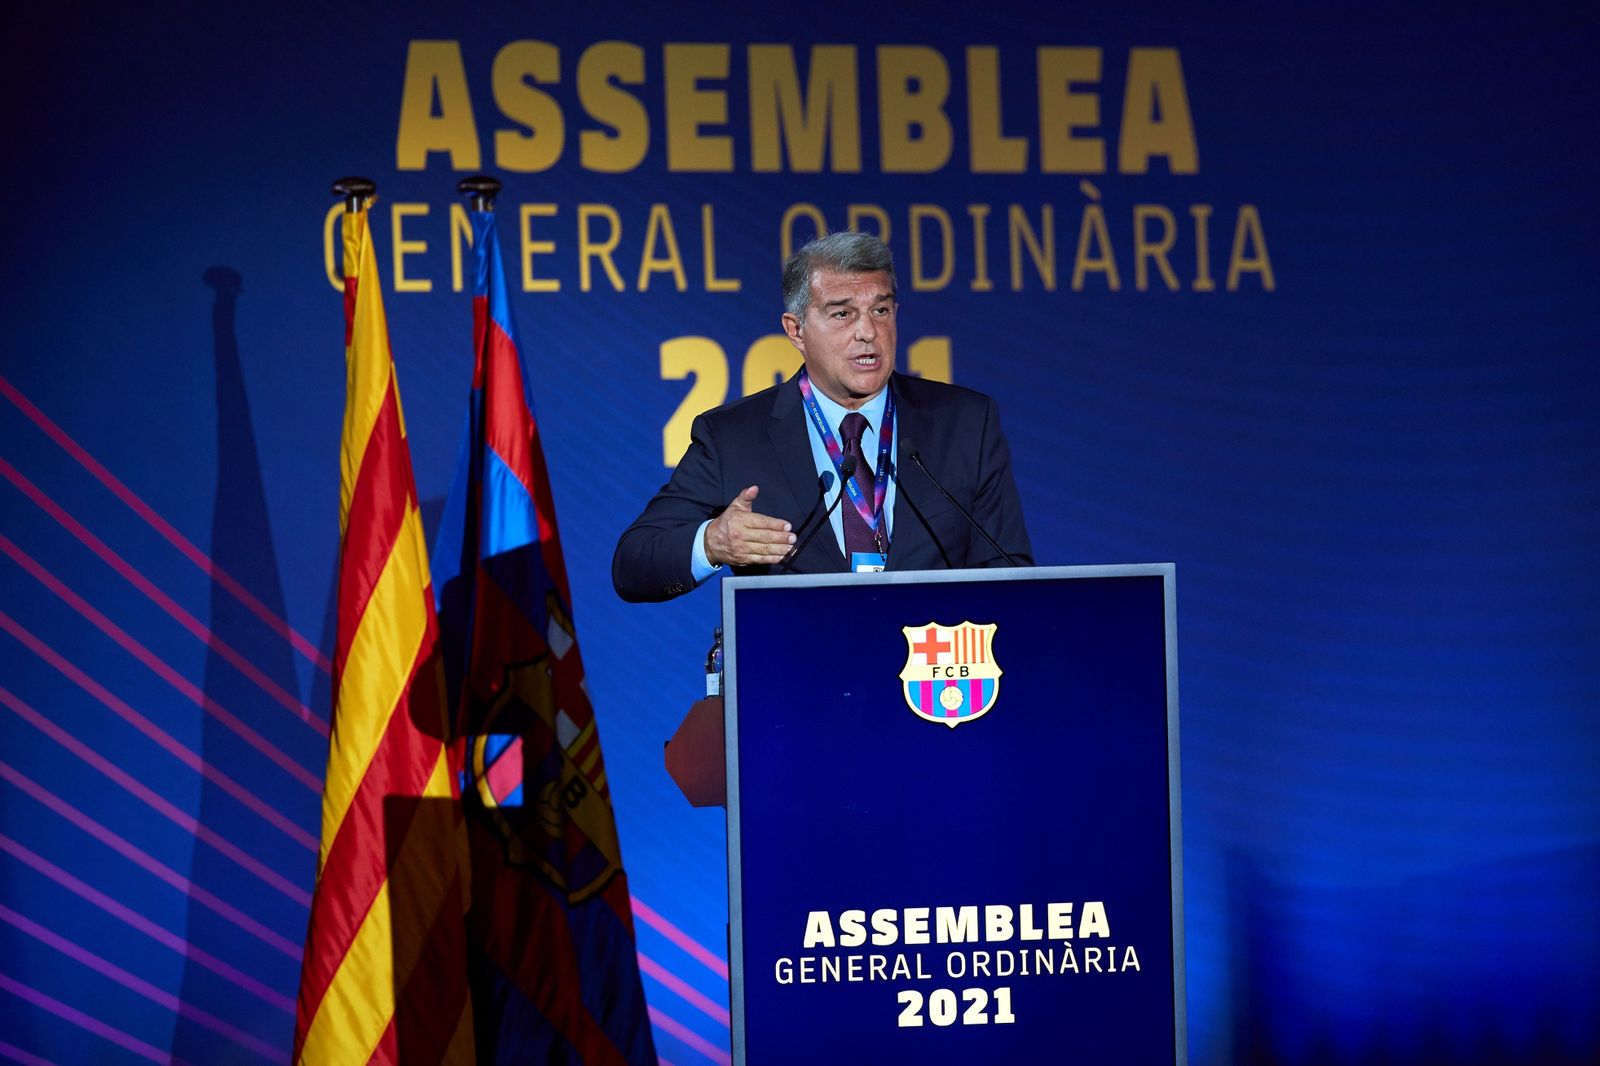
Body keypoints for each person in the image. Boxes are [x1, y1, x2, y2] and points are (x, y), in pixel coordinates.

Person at [612, 231, 1032, 603]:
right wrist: (713, 543)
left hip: (934, 680)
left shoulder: (964, 423)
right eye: (842, 313)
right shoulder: (733, 437)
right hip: (800, 676)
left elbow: (1009, 569)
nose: (867, 331)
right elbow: (634, 566)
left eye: (881, 310)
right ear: (796, 330)